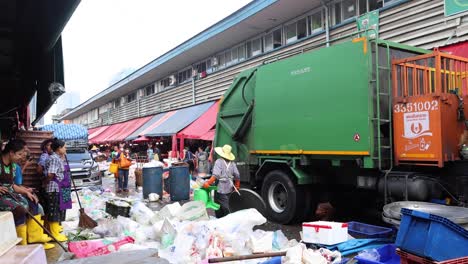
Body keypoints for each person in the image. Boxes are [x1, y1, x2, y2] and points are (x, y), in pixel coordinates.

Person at [0, 139, 54, 249]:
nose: (21, 157)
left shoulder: (13, 166)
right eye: (19, 154)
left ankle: (34, 238)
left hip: (9, 194)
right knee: (20, 209)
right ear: (11, 153)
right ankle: (21, 244)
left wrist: (26, 192)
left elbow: (12, 185)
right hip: (1, 196)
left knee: (33, 202)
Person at [44, 138, 71, 242]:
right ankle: (54, 234)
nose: (66, 149)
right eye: (65, 147)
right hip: (54, 188)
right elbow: (51, 174)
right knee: (54, 211)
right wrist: (45, 182)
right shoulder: (54, 158)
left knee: (59, 209)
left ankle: (56, 230)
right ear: (59, 148)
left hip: (61, 187)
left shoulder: (59, 158)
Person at [203, 144, 240, 218]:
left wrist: (208, 183)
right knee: (227, 202)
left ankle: (227, 219)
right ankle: (224, 218)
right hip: (229, 187)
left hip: (220, 188)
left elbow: (215, 175)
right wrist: (237, 186)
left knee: (221, 205)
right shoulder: (232, 163)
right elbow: (237, 175)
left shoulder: (219, 161)